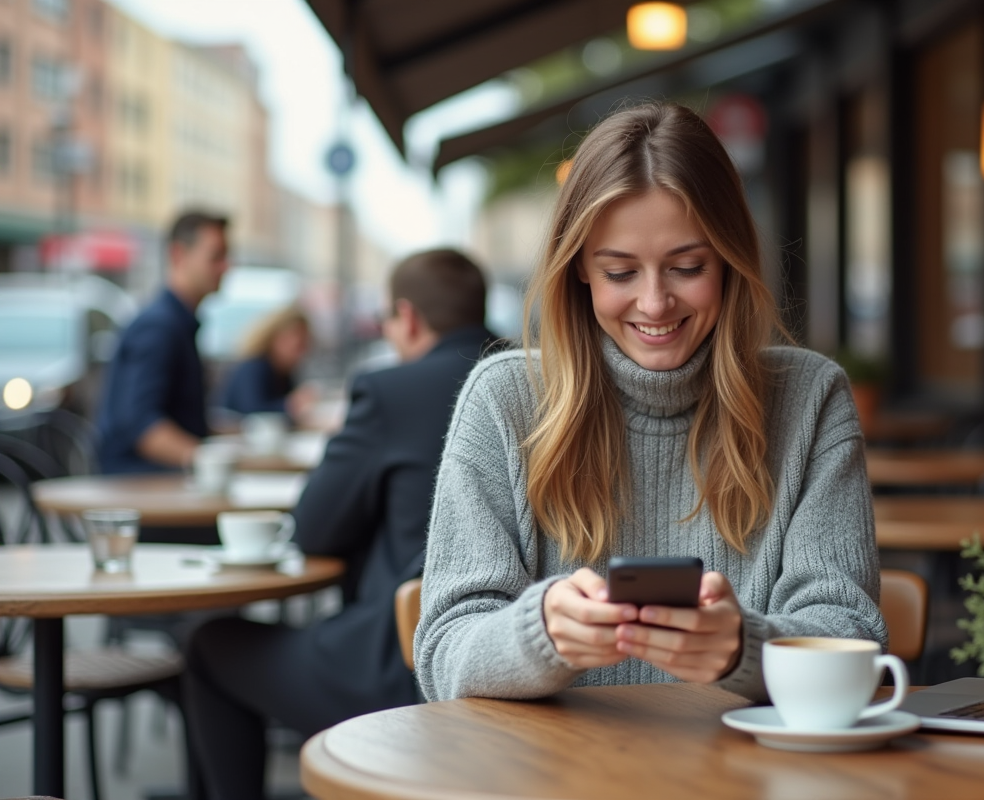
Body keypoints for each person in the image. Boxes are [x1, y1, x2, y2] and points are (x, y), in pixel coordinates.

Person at [414, 103, 886, 704]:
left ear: (729, 260)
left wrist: (743, 648)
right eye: (619, 273)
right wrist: (540, 636)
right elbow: (443, 657)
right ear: (579, 269)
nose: (655, 303)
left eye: (688, 267)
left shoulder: (810, 399)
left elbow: (852, 637)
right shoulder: (504, 400)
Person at [184, 249, 498, 799]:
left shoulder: (391, 391)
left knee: (209, 645)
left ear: (407, 317)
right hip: (518, 659)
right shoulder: (544, 377)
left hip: (406, 666)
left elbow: (314, 530)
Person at [96, 210, 229, 474]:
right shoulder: (159, 327)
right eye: (216, 256)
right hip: (139, 486)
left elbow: (181, 421)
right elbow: (143, 428)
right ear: (178, 254)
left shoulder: (174, 321)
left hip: (158, 481)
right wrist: (209, 459)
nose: (226, 267)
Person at [216, 304, 317, 424]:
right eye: (298, 345)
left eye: (305, 345)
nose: (302, 352)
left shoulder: (284, 372)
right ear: (275, 337)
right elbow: (253, 411)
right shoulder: (255, 367)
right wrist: (291, 405)